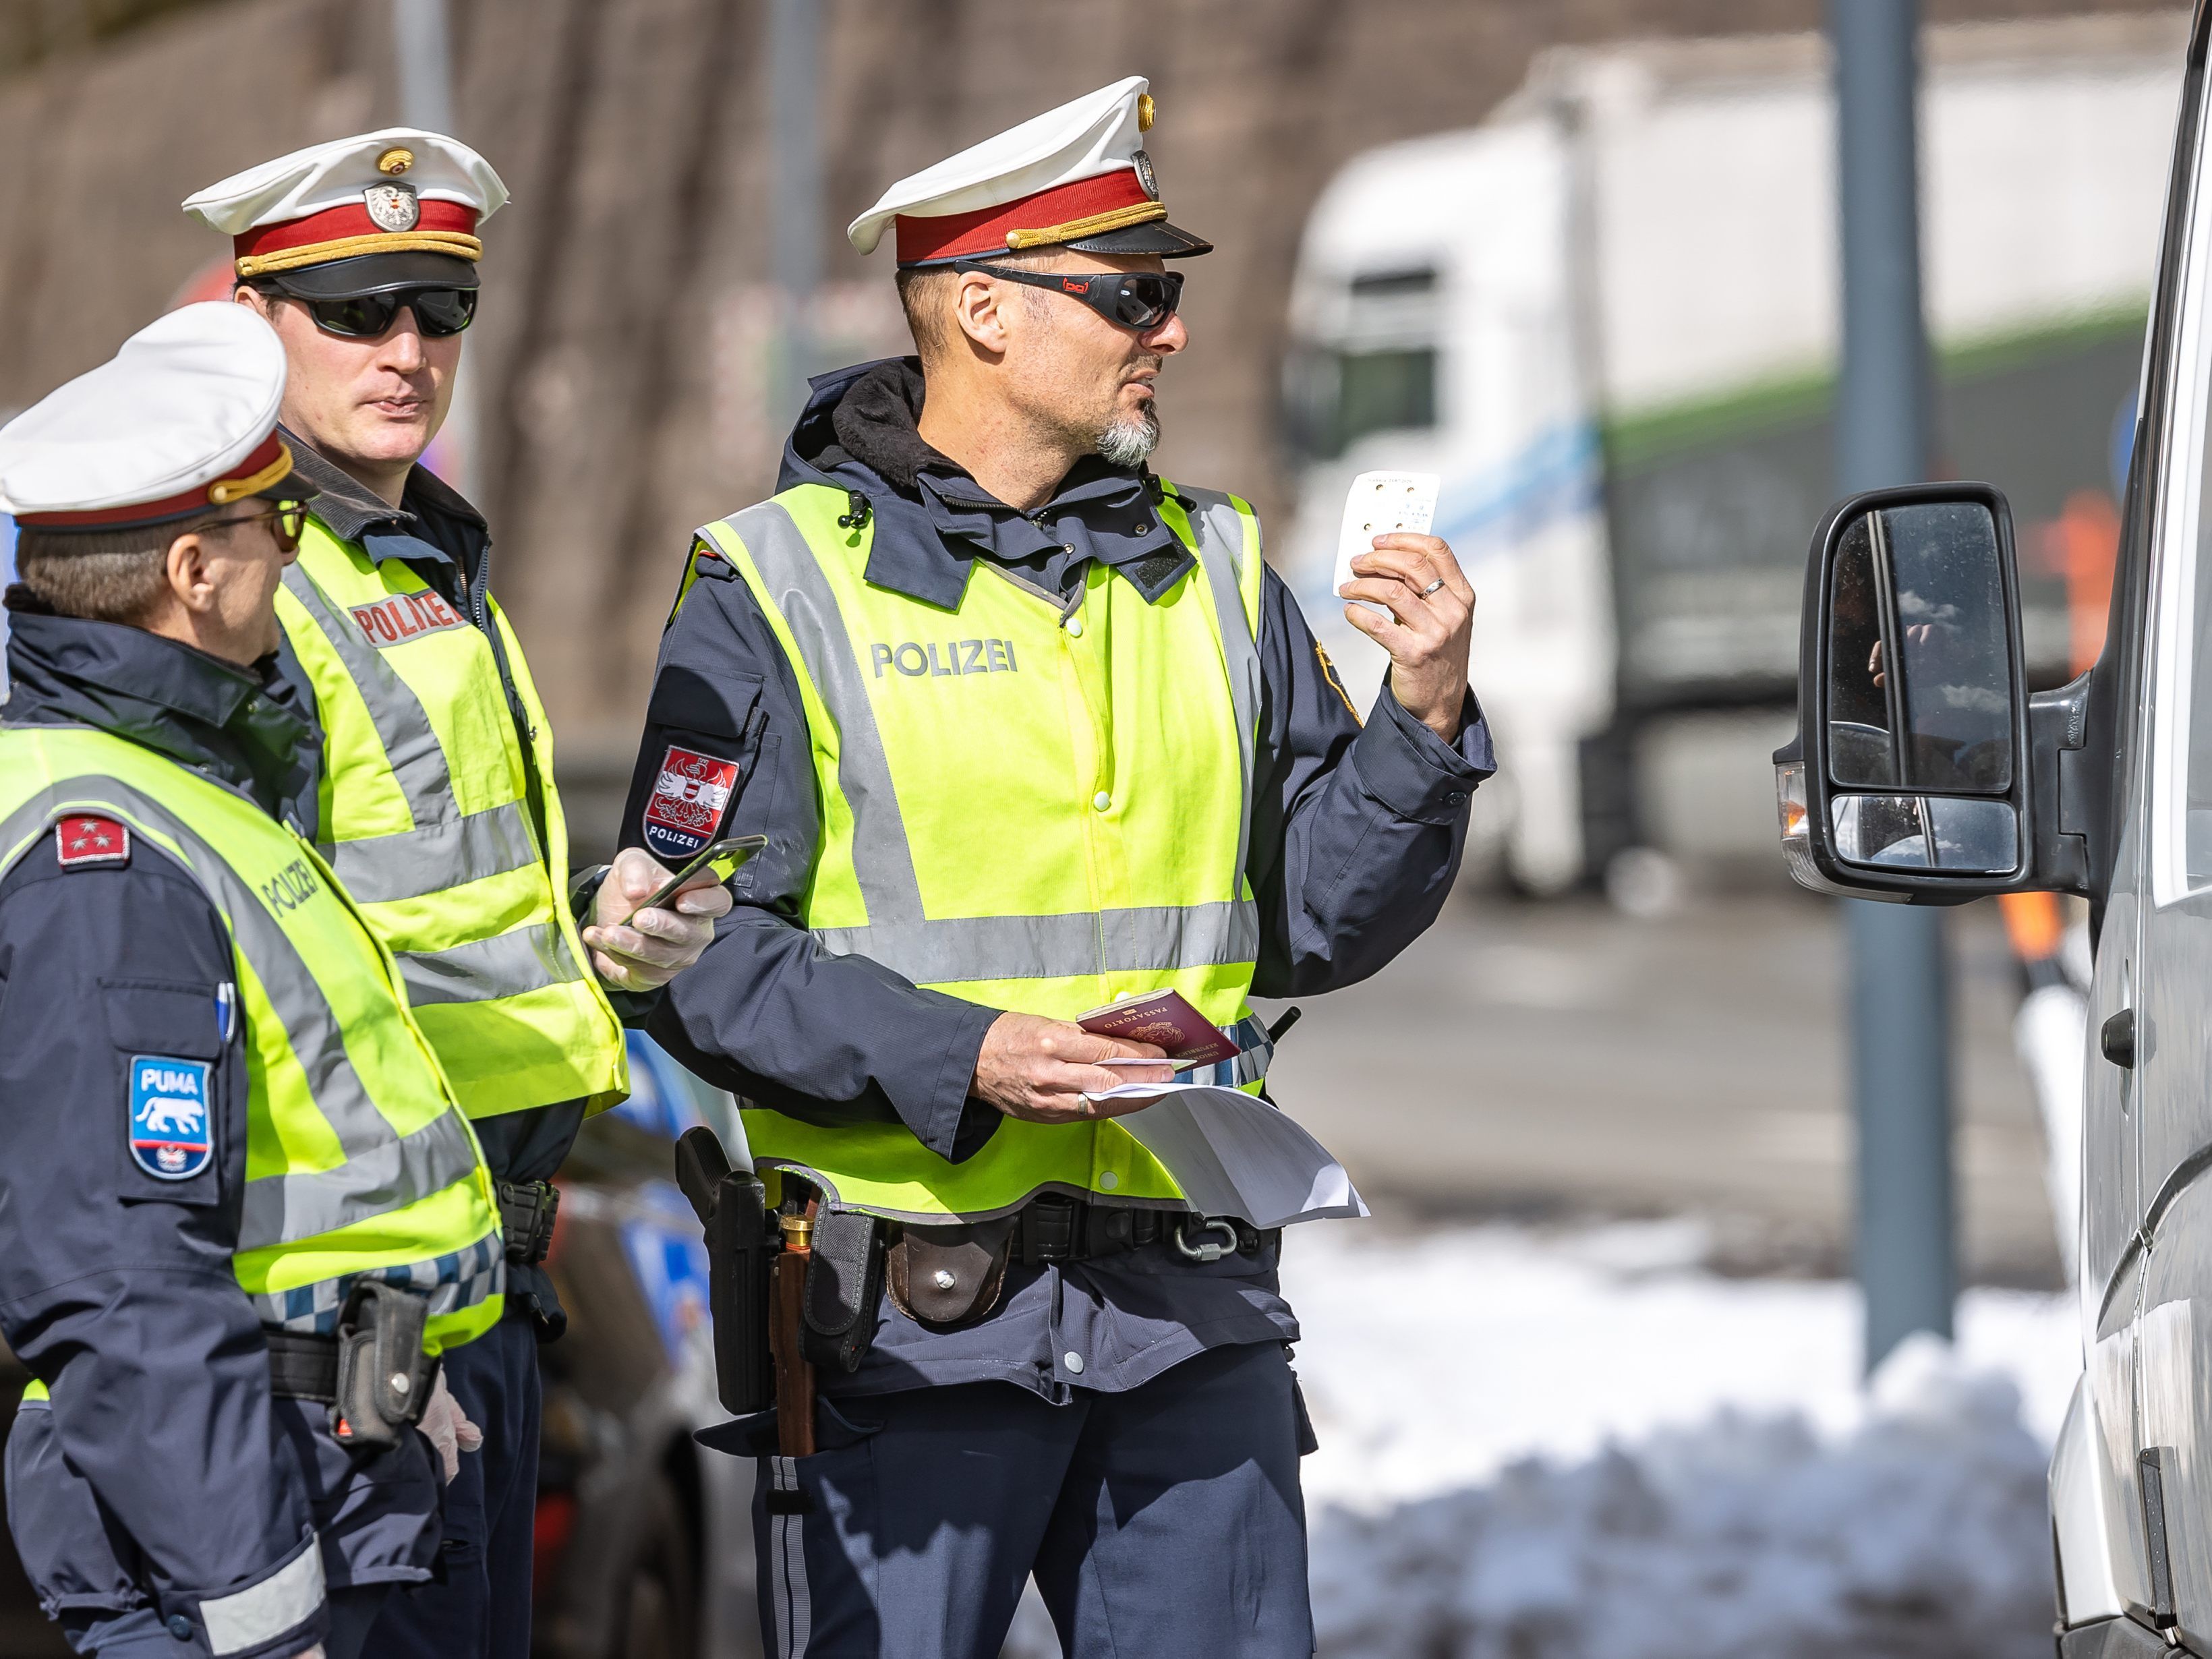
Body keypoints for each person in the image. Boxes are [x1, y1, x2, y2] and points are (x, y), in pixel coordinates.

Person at [624, 77, 1496, 1656]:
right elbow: (694, 958)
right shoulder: (771, 585)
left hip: (1192, 1318)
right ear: (980, 312)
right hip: (906, 1336)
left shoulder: (1221, 567)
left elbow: (1310, 917)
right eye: (1131, 296)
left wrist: (1420, 722)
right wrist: (969, 1055)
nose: (1167, 331)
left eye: (1169, 295)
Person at [179, 131, 733, 1658]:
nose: (409, 350)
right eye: (355, 311)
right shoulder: (246, 575)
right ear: (255, 316)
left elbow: (432, 891)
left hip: (477, 1270)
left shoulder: (417, 547)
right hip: (341, 1302)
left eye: (438, 310)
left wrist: (596, 930)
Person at [0, 302, 506, 1659]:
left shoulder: (185, 783)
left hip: (332, 1459)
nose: (294, 563)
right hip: (244, 1530)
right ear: (193, 573)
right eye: (277, 534)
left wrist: (395, 1377)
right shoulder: (102, 852)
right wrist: (257, 1604)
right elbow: (120, 1275)